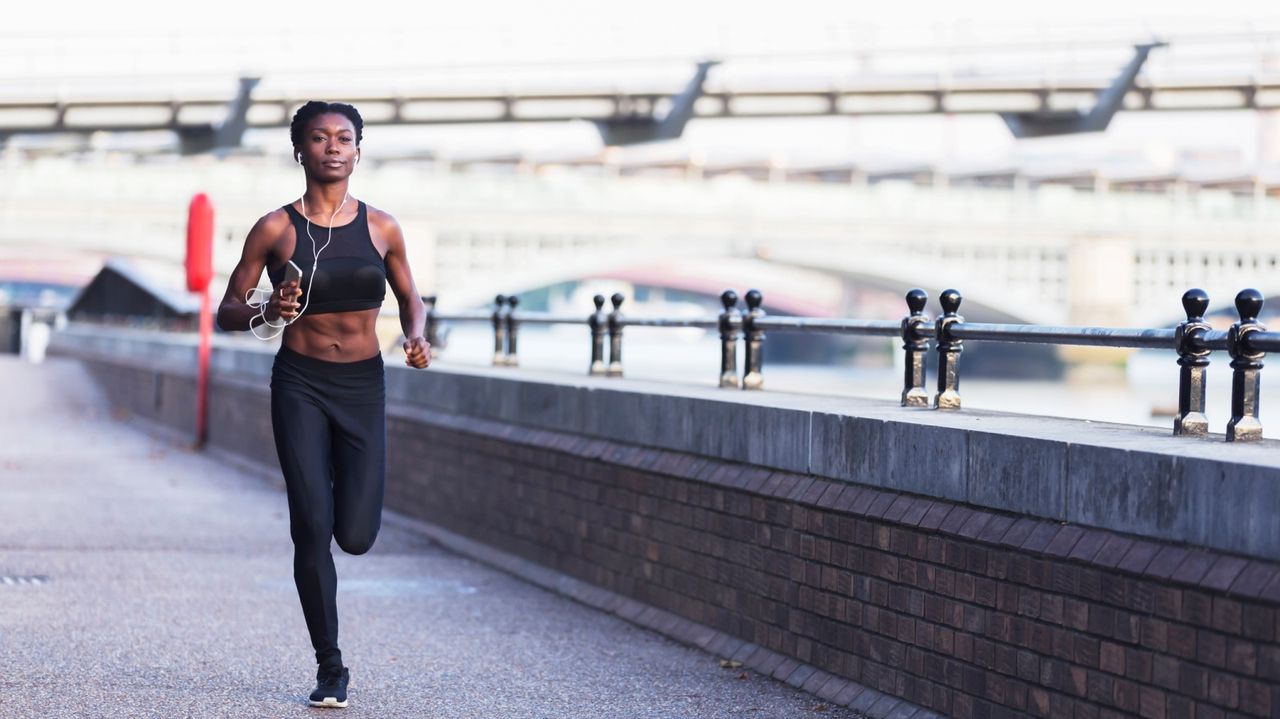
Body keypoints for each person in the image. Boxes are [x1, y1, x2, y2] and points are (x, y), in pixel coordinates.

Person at [216, 100, 430, 708]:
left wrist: (416, 335)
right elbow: (228, 309)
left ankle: (337, 499)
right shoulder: (275, 229)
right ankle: (330, 665)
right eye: (319, 138)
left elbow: (413, 298)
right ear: (300, 150)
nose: (333, 147)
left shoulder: (383, 227)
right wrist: (267, 309)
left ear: (358, 151)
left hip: (363, 385)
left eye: (344, 138)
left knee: (356, 536)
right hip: (301, 383)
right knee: (311, 526)